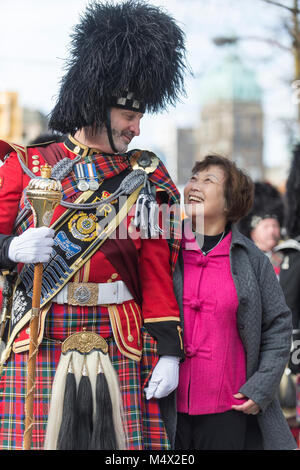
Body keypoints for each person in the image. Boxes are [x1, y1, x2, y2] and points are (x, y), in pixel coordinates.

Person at [0, 1, 187, 450]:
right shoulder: (26, 165)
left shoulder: (149, 175)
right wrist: (10, 249)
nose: (137, 129)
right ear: (97, 106)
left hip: (119, 333)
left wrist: (169, 348)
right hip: (42, 326)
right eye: (129, 116)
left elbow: (156, 268)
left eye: (140, 117)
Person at [173, 154, 296, 450]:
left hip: (229, 408)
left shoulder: (254, 261)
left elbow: (278, 327)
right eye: (193, 178)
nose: (194, 186)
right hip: (167, 408)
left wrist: (261, 388)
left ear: (230, 203)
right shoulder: (165, 252)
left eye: (208, 180)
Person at [238, 180, 300, 444]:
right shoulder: (243, 259)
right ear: (253, 229)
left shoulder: (293, 257)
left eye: (276, 225)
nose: (274, 230)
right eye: (267, 225)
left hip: (292, 346)